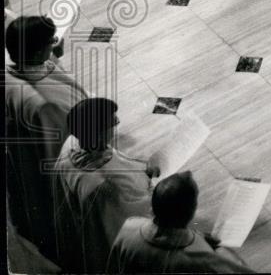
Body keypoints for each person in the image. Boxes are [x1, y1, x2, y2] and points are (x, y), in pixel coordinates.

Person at [5, 15, 89, 261]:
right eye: (50, 41)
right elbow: (61, 155)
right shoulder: (44, 105)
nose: (55, 43)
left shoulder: (18, 70)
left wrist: (53, 53)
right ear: (35, 51)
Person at [54, 97, 160, 273]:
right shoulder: (105, 186)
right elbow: (136, 216)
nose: (118, 122)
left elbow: (116, 161)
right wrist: (156, 189)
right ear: (97, 132)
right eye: (112, 121)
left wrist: (141, 169)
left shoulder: (72, 145)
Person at [108, 171, 253, 273]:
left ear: (153, 207)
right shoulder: (203, 258)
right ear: (191, 213)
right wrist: (221, 250)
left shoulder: (129, 227)